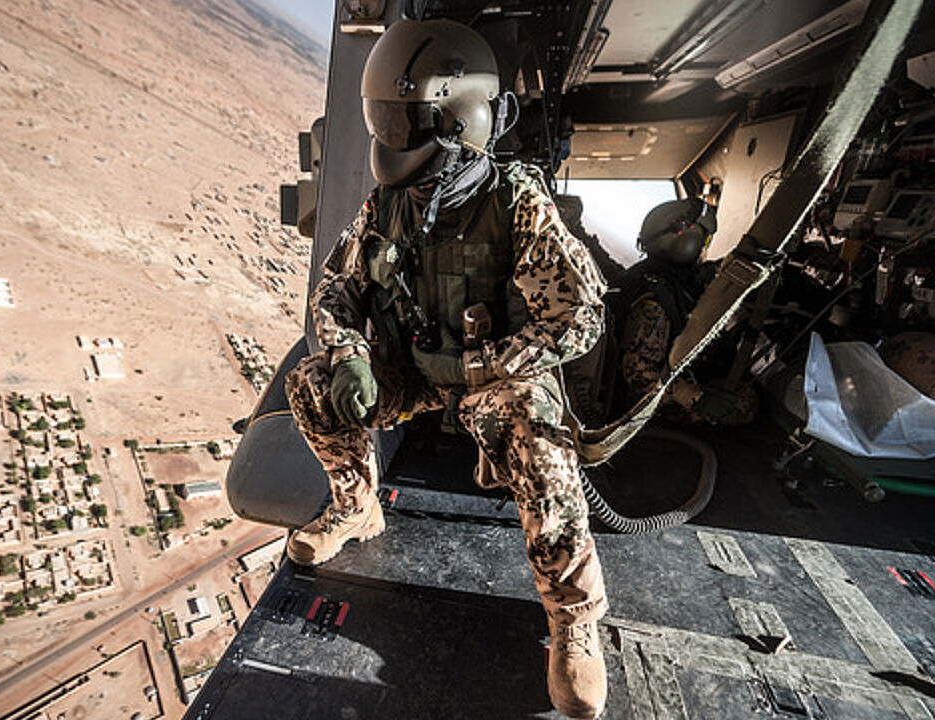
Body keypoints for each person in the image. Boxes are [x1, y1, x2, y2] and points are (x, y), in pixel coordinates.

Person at [283, 19, 609, 719]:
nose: (393, 135)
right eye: (387, 119)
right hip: (417, 371)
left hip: (493, 377)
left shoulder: (516, 203)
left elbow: (580, 316)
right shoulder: (390, 202)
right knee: (310, 385)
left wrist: (488, 366)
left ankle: (573, 619)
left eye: (408, 120)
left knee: (537, 433)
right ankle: (356, 504)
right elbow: (335, 290)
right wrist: (347, 356)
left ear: (460, 119)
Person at [612, 198, 758, 425]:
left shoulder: (657, 276)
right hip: (642, 405)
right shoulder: (655, 301)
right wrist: (697, 399)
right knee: (743, 402)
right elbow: (639, 375)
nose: (705, 247)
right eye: (705, 239)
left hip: (664, 381)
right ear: (686, 243)